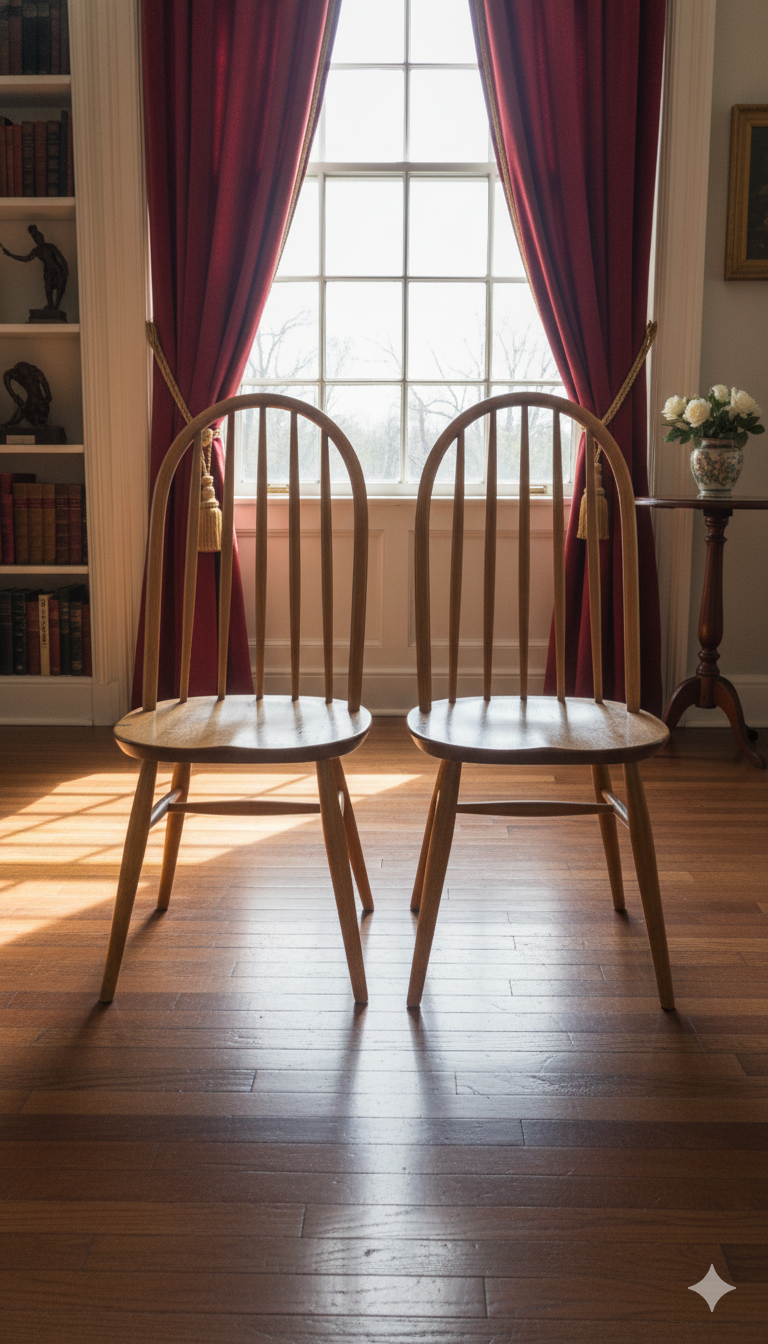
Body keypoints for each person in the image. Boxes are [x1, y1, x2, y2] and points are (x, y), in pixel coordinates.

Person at [2, 225, 69, 310]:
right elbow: (26, 258)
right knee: (48, 289)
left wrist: (66, 269)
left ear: (42, 237)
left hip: (58, 269)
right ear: (35, 240)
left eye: (39, 236)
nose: (38, 239)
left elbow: (61, 257)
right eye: (36, 238)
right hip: (48, 271)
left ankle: (55, 307)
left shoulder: (50, 246)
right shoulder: (36, 250)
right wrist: (11, 255)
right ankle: (51, 305)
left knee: (60, 288)